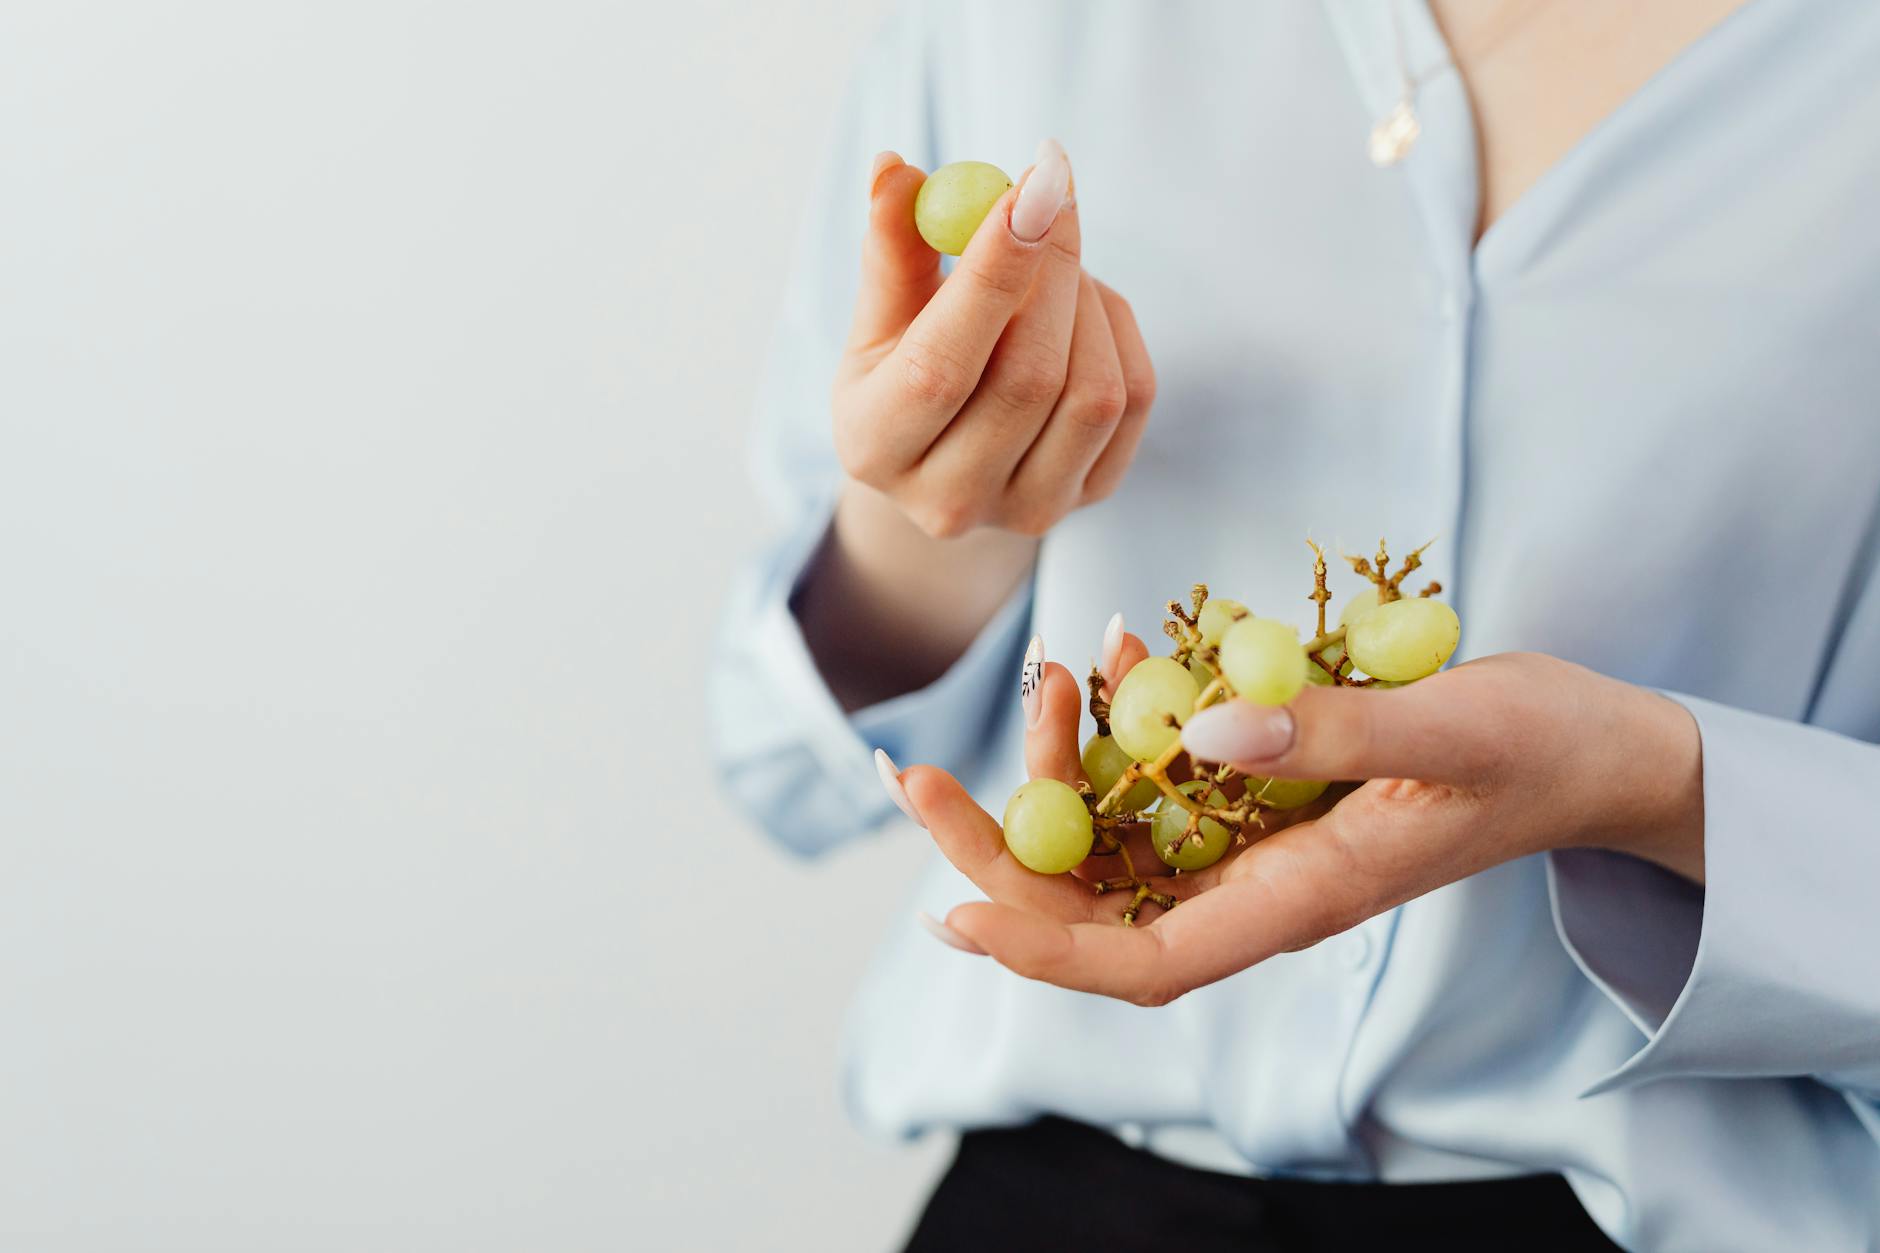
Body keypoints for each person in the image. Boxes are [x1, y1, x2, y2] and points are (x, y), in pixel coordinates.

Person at [710, 1, 1880, 1247]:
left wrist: (1646, 783)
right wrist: (949, 512)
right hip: (1050, 1200)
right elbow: (779, 763)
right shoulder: (1015, 23)